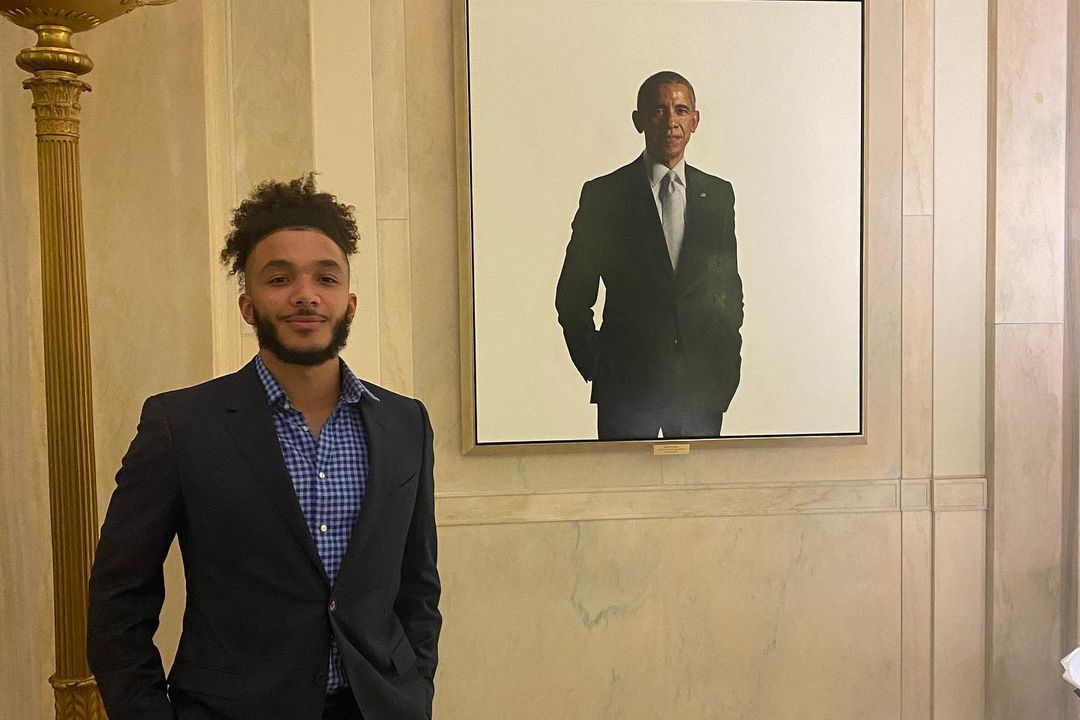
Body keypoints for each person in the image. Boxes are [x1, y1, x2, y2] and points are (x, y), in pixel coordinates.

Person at [87, 175, 441, 720]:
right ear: (248, 304)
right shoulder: (181, 425)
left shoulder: (405, 423)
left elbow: (418, 588)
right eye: (280, 278)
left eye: (325, 277)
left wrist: (414, 685)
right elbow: (118, 602)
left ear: (349, 302)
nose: (305, 294)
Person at [555, 70, 744, 440]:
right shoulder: (605, 196)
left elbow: (726, 290)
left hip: (700, 391)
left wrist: (726, 366)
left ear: (694, 121)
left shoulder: (718, 196)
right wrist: (598, 367)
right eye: (658, 110)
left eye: (680, 109)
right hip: (626, 392)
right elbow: (572, 297)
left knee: (695, 496)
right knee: (623, 497)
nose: (670, 122)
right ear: (638, 120)